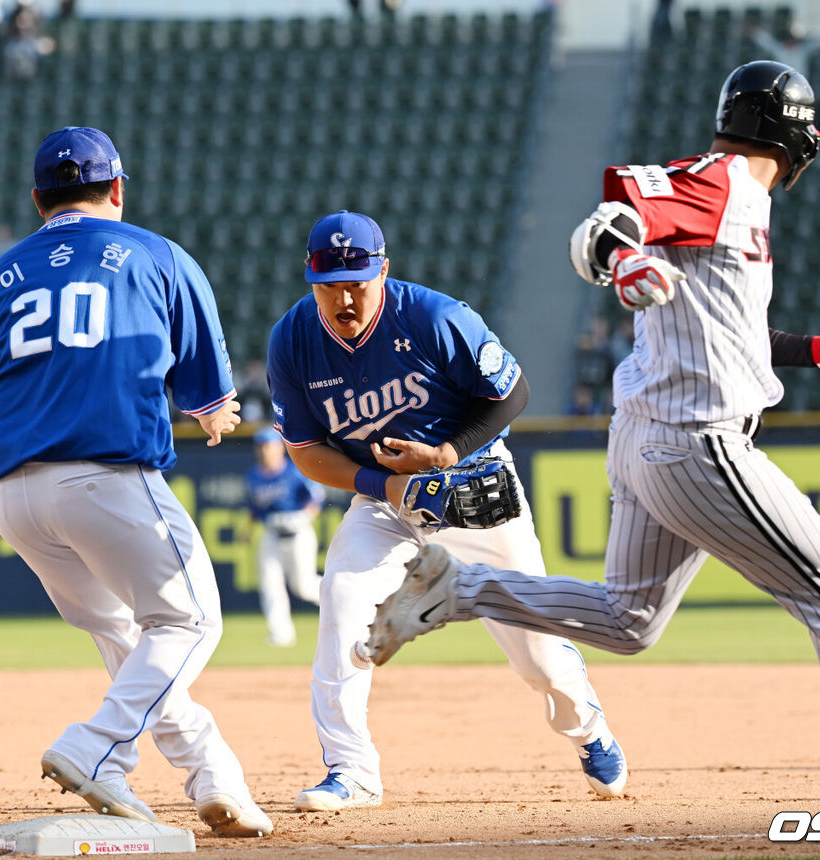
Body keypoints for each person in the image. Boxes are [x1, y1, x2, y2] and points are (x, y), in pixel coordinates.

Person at [364, 62, 820, 817]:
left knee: (629, 621)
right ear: (793, 134)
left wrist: (815, 351)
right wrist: (625, 256)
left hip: (649, 438)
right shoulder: (728, 181)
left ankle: (459, 587)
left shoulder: (732, 199)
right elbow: (606, 224)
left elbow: (725, 333)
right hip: (699, 444)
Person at [266, 209, 625, 811]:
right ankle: (352, 770)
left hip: (472, 486)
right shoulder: (294, 339)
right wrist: (386, 487)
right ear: (310, 277)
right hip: (384, 501)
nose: (344, 297)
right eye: (329, 284)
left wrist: (444, 452)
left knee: (536, 653)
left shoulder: (435, 317)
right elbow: (305, 451)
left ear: (383, 270)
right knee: (343, 605)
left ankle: (588, 729)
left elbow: (513, 393)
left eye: (357, 282)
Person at [0, 126, 273, 837]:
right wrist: (215, 412)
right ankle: (95, 746)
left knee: (129, 636)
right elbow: (211, 397)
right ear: (118, 190)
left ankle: (210, 775)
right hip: (100, 471)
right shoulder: (156, 253)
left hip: (6, 490)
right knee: (192, 620)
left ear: (39, 198)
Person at [246, 427, 325, 647]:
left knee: (303, 585)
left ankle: (342, 602)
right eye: (261, 446)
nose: (265, 451)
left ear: (279, 448)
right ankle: (280, 633)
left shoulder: (294, 471)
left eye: (269, 446)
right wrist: (248, 531)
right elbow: (254, 508)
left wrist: (306, 515)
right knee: (270, 584)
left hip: (298, 532)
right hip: (270, 533)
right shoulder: (253, 476)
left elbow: (316, 497)